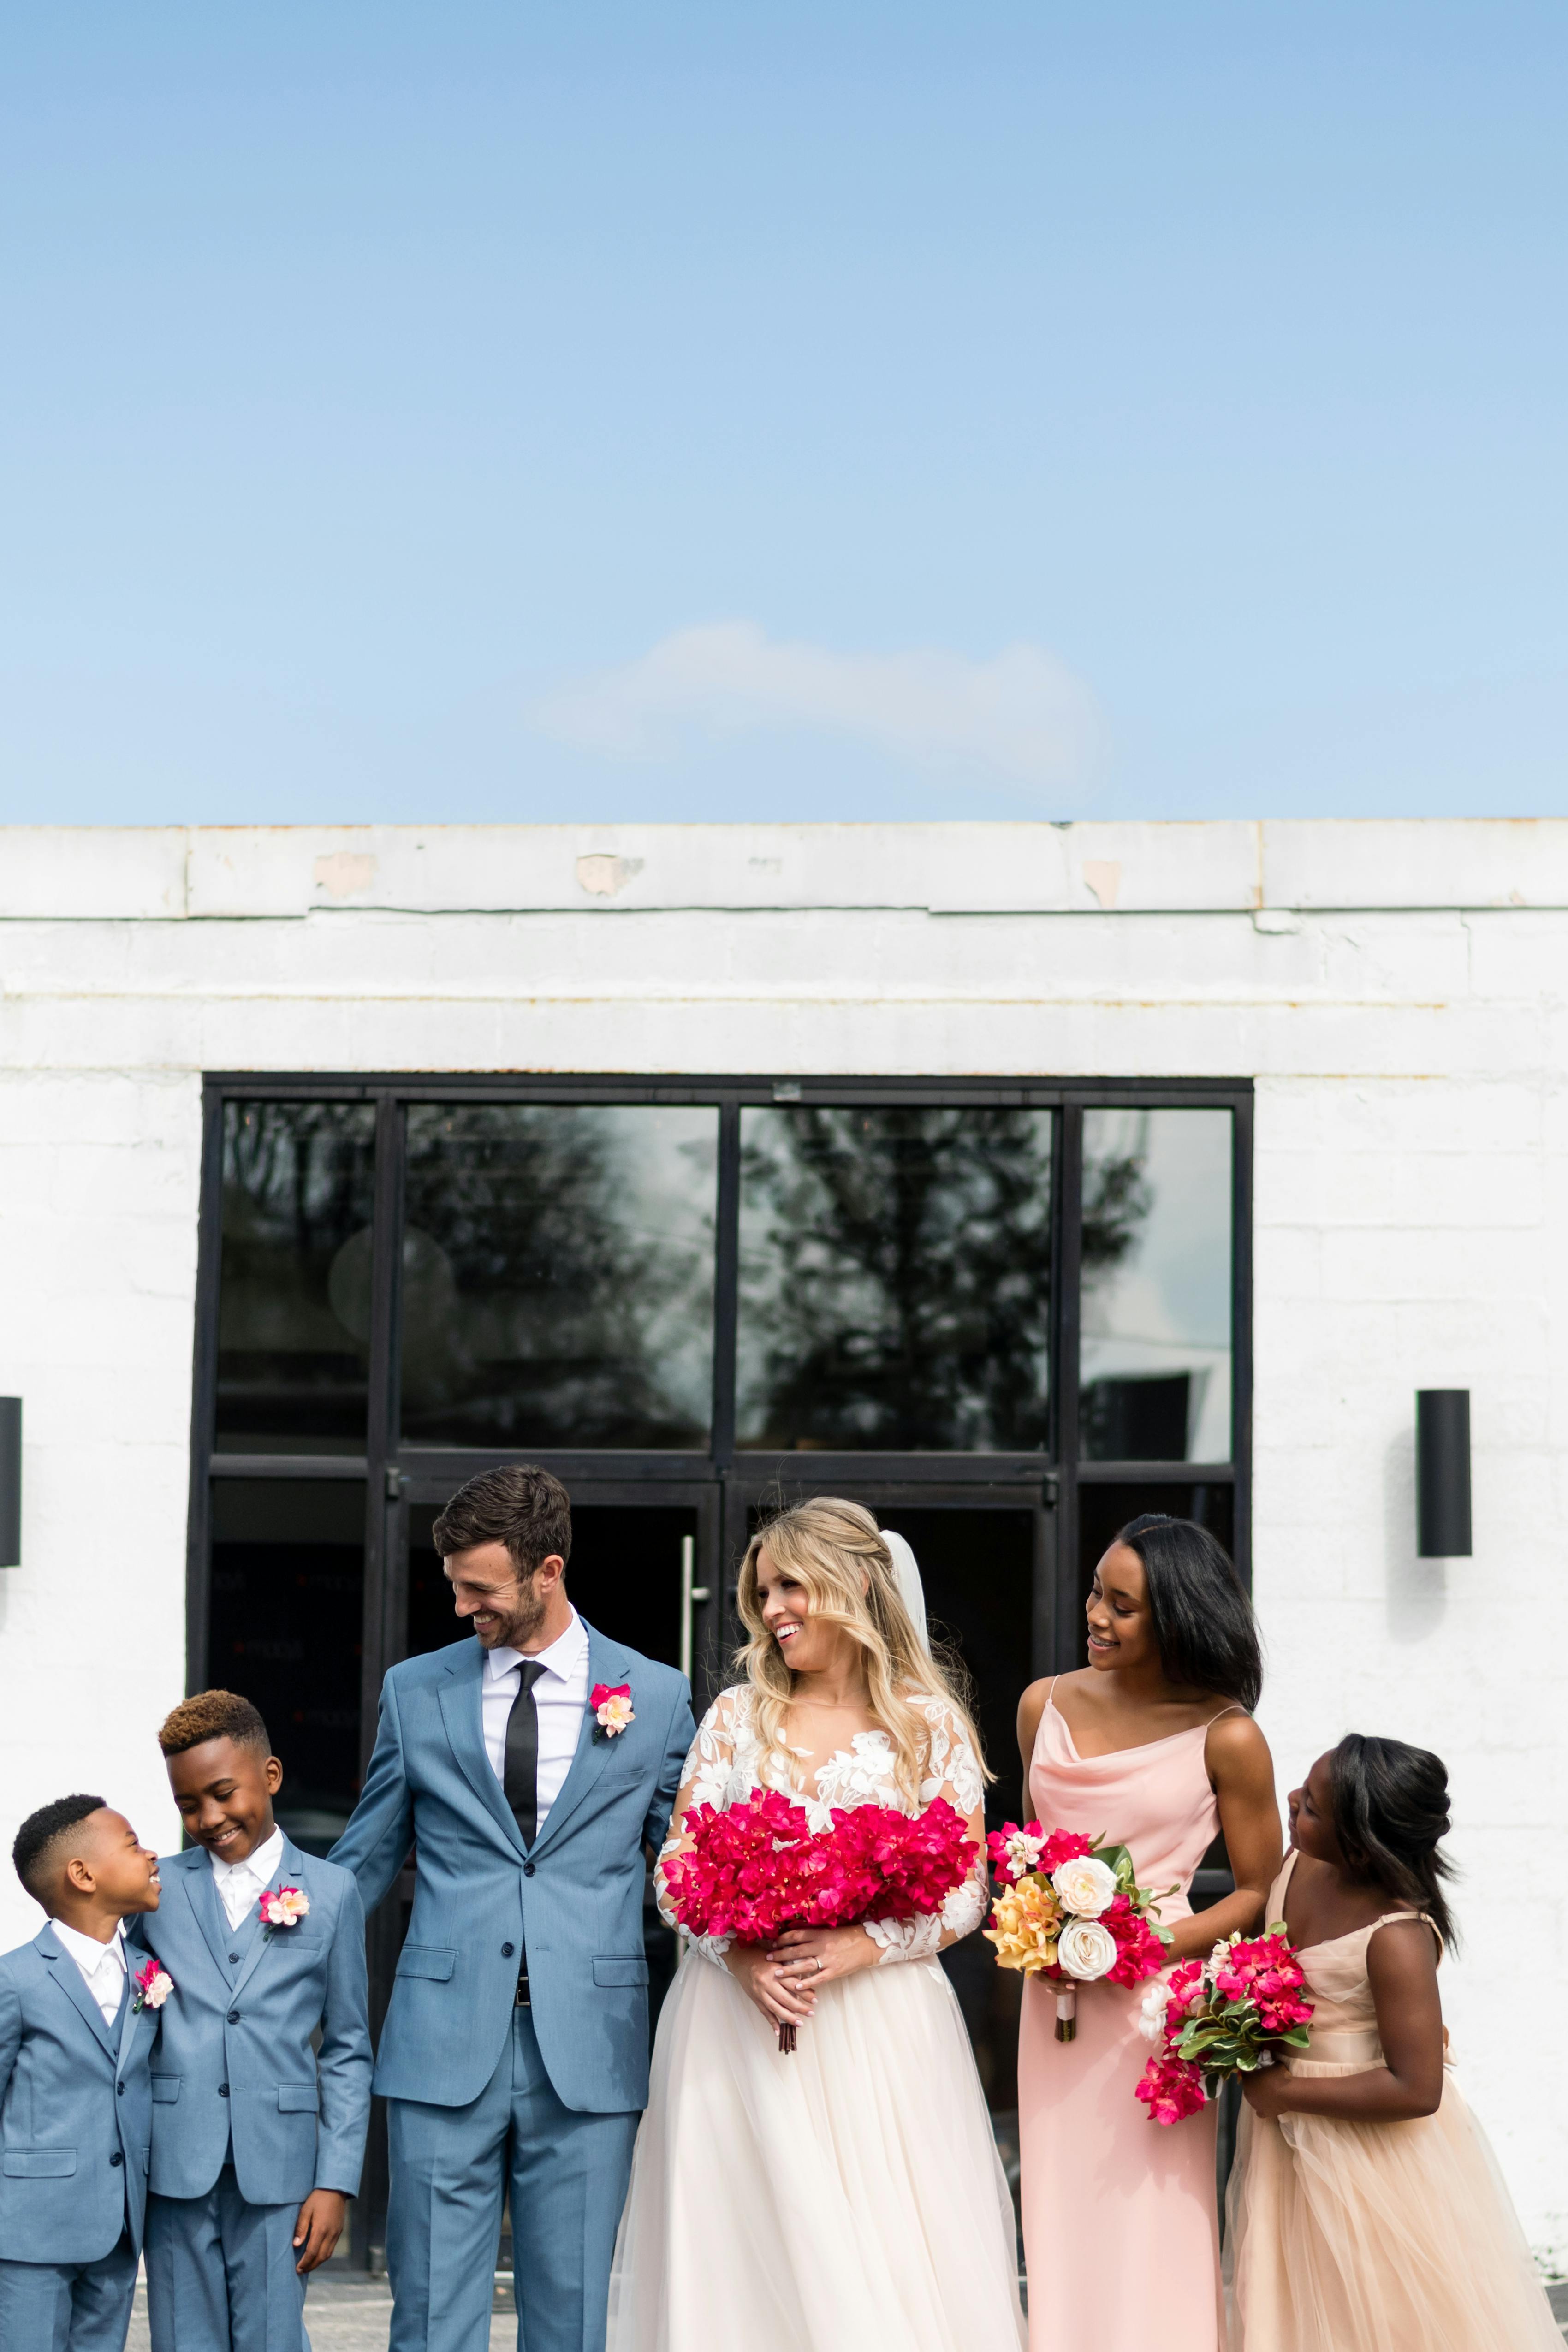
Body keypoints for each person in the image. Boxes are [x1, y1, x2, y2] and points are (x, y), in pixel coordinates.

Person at [607, 1497, 1027, 2352]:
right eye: (762, 1594)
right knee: (735, 2251)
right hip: (733, 2024)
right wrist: (738, 1959)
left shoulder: (927, 1726)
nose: (772, 1611)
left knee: (878, 2257)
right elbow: (676, 1870)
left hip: (878, 2028)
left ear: (857, 1585)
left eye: (791, 1586)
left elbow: (965, 1893)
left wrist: (858, 1946)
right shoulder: (735, 1719)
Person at [329, 1464, 695, 2352]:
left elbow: (691, 1865)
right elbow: (366, 1857)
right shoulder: (416, 1692)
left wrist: (781, 1934)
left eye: (478, 1589)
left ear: (548, 1572)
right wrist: (263, 1924)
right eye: (454, 1587)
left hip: (592, 2045)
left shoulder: (656, 1693)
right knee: (427, 2315)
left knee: (571, 2322)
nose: (462, 1608)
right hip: (439, 2041)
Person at [1016, 1514, 1283, 2352]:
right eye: (1097, 1591)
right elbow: (1030, 1855)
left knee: (1154, 2211)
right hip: (1054, 2001)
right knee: (1062, 2204)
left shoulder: (1228, 1735)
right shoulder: (1042, 1705)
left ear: (1175, 1616)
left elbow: (1259, 1890)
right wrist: (1045, 1937)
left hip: (1157, 2015)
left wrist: (1157, 1946)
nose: (1096, 1614)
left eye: (1123, 1606)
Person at [1227, 1734, 1562, 2351]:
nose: (1293, 1799)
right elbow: (1252, 1962)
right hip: (1285, 2132)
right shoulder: (1294, 1865)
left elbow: (1417, 2088)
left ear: (1359, 1843)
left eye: (1312, 1808)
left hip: (1367, 2150)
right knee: (1293, 2303)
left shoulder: (1397, 1935)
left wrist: (1286, 2090)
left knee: (1376, 2309)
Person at [135, 1689, 372, 2352]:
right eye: (188, 1805)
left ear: (269, 1776)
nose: (209, 1818)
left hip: (282, 2172)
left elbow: (348, 2047)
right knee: (183, 2338)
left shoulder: (331, 1892)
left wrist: (336, 2179)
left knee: (273, 2338)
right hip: (177, 2163)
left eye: (221, 1793)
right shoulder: (155, 1891)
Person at [0, 1796, 163, 2352]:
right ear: (83, 1874)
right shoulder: (16, 1979)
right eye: (133, 1843)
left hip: (119, 2227)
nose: (152, 1855)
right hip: (28, 2233)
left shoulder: (151, 1973)